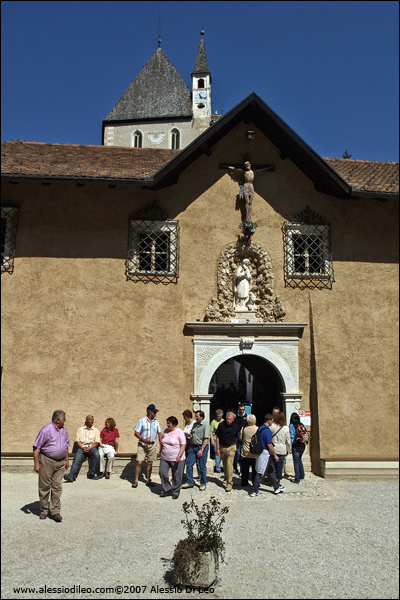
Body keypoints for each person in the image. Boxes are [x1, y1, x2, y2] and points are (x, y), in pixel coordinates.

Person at [33, 410, 70, 522]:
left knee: (57, 487)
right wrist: (36, 464)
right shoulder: (46, 430)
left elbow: (66, 445)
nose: (65, 420)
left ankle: (55, 512)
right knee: (44, 486)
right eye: (64, 418)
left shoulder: (64, 431)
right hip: (47, 460)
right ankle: (43, 510)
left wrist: (67, 460)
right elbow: (36, 448)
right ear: (57, 420)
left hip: (60, 462)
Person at [250, 414, 284, 496]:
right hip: (265, 453)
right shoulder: (267, 430)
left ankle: (276, 487)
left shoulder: (260, 428)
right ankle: (254, 490)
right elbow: (269, 444)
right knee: (261, 472)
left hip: (263, 452)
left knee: (271, 470)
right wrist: (275, 455)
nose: (272, 422)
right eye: (272, 420)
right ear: (269, 420)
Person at [132, 404, 162, 489]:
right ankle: (136, 480)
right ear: (149, 412)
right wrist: (143, 439)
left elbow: (159, 433)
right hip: (142, 444)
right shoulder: (142, 421)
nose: (155, 413)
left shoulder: (156, 422)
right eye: (154, 412)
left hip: (152, 445)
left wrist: (161, 444)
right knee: (139, 462)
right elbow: (136, 432)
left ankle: (148, 480)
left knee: (150, 462)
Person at [63, 415, 100, 482]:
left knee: (96, 455)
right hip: (82, 446)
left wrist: (90, 448)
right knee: (77, 457)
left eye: (92, 420)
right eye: (90, 419)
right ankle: (72, 475)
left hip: (91, 447)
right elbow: (77, 441)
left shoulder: (95, 431)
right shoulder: (80, 430)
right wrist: (83, 447)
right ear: (86, 420)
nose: (92, 421)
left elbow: (97, 442)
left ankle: (91, 474)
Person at [159, 416, 186, 499]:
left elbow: (183, 444)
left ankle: (175, 491)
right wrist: (160, 451)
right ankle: (167, 489)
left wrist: (179, 455)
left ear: (174, 424)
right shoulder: (166, 431)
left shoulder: (179, 432)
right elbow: (163, 442)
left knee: (177, 475)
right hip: (165, 457)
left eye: (169, 423)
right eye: (167, 423)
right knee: (162, 472)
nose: (167, 425)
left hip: (176, 458)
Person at [182, 410, 210, 491]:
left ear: (201, 417)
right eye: (195, 416)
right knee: (189, 464)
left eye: (197, 416)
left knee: (202, 466)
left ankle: (203, 483)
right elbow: (193, 435)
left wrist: (201, 449)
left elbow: (206, 438)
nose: (195, 417)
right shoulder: (194, 425)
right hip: (193, 447)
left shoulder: (205, 425)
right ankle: (190, 481)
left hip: (201, 447)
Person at [215, 411, 240, 492]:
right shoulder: (221, 425)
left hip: (231, 447)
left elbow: (238, 437)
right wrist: (217, 448)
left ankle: (229, 483)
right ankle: (226, 478)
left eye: (230, 419)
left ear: (233, 419)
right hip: (223, 447)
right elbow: (217, 437)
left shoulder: (235, 427)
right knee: (225, 464)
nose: (228, 420)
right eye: (227, 419)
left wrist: (235, 446)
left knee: (229, 465)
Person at [269, 411, 291, 485]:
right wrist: (288, 449)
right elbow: (288, 440)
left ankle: (272, 479)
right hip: (282, 449)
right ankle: (278, 480)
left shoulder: (272, 426)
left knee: (272, 466)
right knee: (279, 466)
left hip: (273, 448)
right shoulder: (286, 428)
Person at [240, 414, 258, 487]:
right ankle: (254, 482)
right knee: (255, 468)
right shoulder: (257, 429)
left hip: (246, 451)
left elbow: (240, 438)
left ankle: (244, 482)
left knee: (245, 469)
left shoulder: (244, 429)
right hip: (254, 451)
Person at [290, 412, 306, 484]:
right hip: (303, 444)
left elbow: (292, 436)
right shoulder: (302, 425)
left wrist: (290, 446)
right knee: (299, 459)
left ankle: (297, 478)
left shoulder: (291, 425)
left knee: (296, 461)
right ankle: (302, 475)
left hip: (296, 445)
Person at [233, 402, 247, 474]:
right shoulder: (236, 417)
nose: (242, 411)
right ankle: (235, 467)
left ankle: (242, 469)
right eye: (240, 409)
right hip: (237, 438)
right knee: (237, 454)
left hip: (244, 438)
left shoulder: (247, 417)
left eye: (243, 409)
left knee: (243, 454)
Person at [210, 409, 224, 473]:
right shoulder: (213, 422)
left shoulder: (224, 421)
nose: (219, 417)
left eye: (220, 416)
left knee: (222, 453)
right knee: (217, 452)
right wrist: (212, 440)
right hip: (215, 439)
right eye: (218, 416)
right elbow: (211, 432)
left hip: (222, 439)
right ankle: (218, 468)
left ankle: (222, 466)